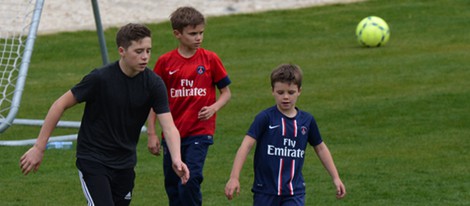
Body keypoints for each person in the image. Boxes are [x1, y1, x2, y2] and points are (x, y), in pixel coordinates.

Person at [19, 23, 190, 206]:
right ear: (122, 51)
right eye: (139, 51)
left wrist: (176, 158)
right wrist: (39, 147)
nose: (145, 57)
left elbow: (169, 127)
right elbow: (59, 105)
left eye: (148, 50)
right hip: (93, 159)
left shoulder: (154, 84)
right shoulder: (100, 78)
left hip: (125, 163)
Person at [224, 64, 346, 205]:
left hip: (294, 192)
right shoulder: (265, 118)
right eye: (280, 92)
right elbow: (246, 145)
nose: (286, 97)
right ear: (272, 91)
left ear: (299, 91)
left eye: (291, 92)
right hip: (265, 191)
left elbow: (321, 148)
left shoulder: (307, 121)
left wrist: (336, 177)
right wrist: (234, 177)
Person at [147, 6, 231, 206]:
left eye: (201, 33)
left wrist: (214, 108)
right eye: (193, 33)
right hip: (172, 134)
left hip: (199, 133)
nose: (198, 38)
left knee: (190, 178)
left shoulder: (210, 59)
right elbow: (154, 102)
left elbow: (226, 93)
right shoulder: (165, 63)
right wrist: (151, 133)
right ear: (177, 34)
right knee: (173, 184)